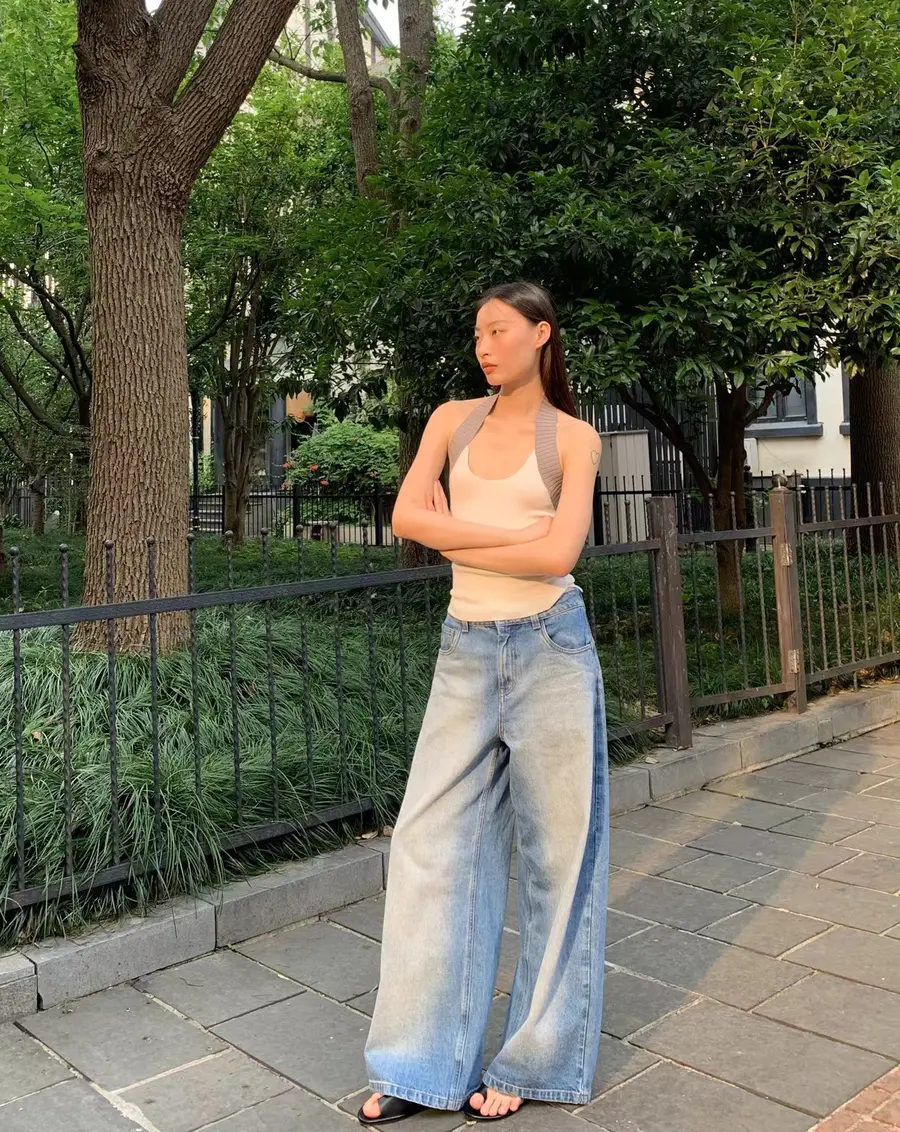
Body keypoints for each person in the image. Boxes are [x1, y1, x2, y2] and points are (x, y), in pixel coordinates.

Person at [358, 281, 609, 1126]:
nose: (485, 347)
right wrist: (516, 539)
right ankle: (420, 1064)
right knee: (430, 850)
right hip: (464, 649)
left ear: (541, 334)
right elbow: (406, 517)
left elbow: (561, 555)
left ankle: (535, 1060)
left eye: (499, 330)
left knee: (559, 860)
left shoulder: (574, 438)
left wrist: (459, 535)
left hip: (551, 650)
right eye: (477, 335)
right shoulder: (450, 421)